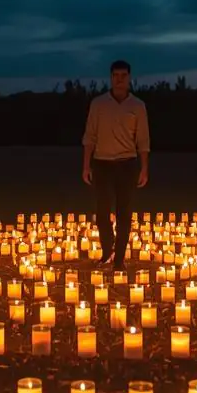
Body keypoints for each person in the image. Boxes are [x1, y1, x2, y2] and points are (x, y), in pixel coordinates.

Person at [81, 59, 150, 270]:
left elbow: (143, 140)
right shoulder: (98, 104)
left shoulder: (137, 106)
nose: (119, 79)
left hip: (127, 164)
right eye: (115, 76)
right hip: (102, 164)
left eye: (123, 76)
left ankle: (119, 260)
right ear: (110, 78)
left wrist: (144, 168)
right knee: (102, 213)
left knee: (124, 213)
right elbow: (90, 136)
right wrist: (86, 166)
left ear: (129, 78)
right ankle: (107, 252)